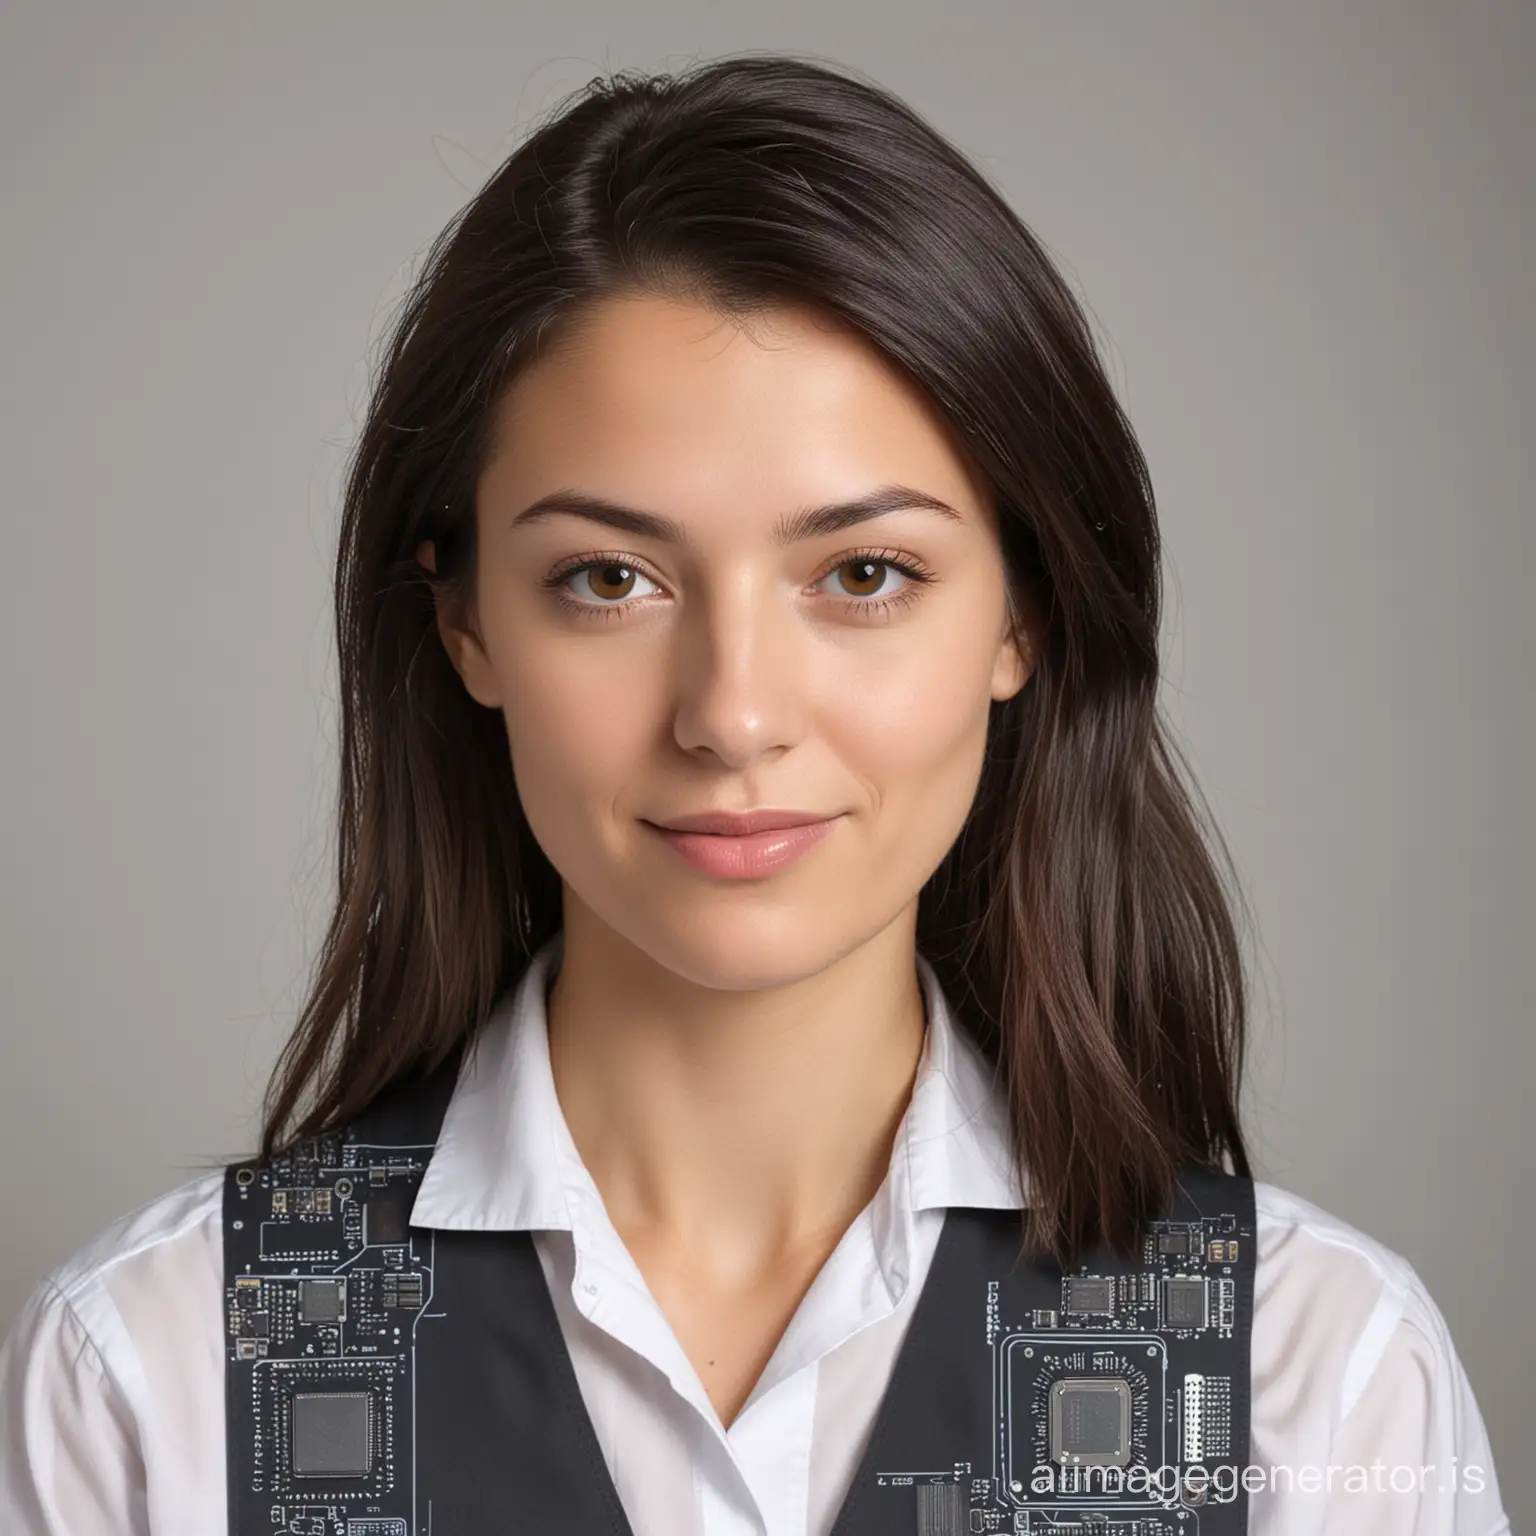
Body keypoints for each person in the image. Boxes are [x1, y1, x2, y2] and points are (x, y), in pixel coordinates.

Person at [0, 53, 1509, 1536]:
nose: (731, 713)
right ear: (464, 621)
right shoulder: (149, 1383)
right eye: (609, 579)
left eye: (864, 574)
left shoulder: (1315, 1382)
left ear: (1022, 617)